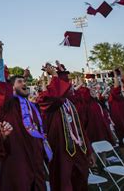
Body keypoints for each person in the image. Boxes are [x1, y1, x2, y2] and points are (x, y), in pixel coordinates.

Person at [0, 39, 50, 191]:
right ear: (11, 87)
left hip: (35, 157)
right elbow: (0, 84)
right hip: (17, 158)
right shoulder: (9, 104)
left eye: (25, 81)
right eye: (19, 82)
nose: (24, 84)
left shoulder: (32, 106)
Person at [37, 62, 92, 191]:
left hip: (79, 151)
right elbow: (54, 96)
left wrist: (89, 151)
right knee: (63, 183)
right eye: (64, 83)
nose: (69, 86)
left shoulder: (70, 104)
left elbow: (80, 130)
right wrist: (55, 76)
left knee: (81, 180)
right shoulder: (49, 104)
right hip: (61, 151)